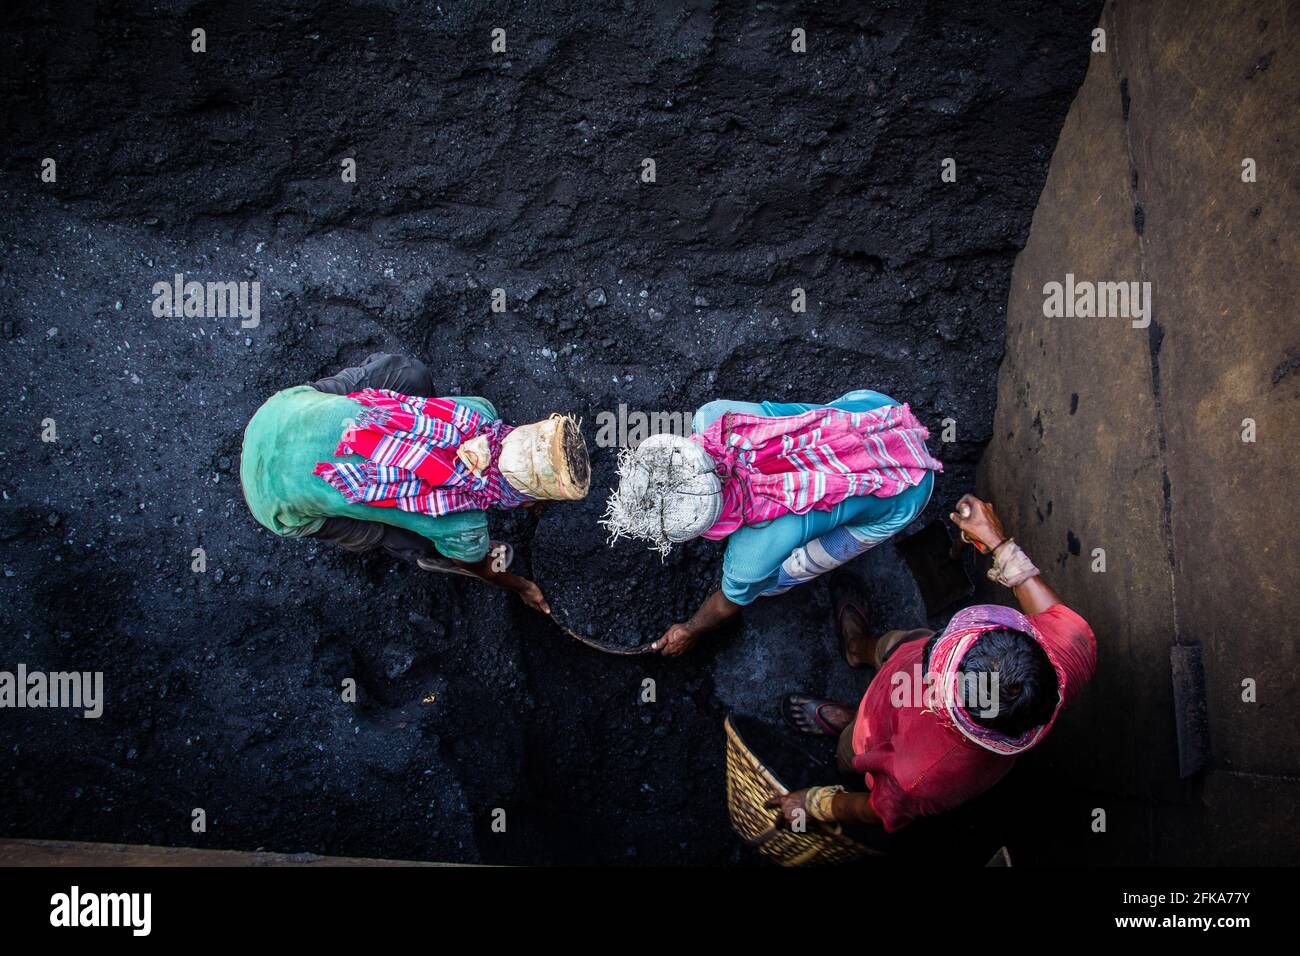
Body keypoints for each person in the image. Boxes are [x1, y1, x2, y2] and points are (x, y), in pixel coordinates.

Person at [765, 493, 1096, 834]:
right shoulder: (1065, 649)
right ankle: (857, 648)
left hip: (881, 735)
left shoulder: (924, 774)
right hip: (905, 663)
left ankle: (851, 725)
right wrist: (997, 543)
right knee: (898, 645)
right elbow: (1057, 618)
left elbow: (878, 809)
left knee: (853, 747)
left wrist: (816, 804)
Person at [601, 388, 942, 656]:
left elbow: (729, 602)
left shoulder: (752, 555)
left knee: (783, 575)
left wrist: (691, 629)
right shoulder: (714, 417)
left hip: (906, 489)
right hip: (874, 411)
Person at [239, 352, 589, 611]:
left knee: (408, 374)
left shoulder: (479, 413)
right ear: (521, 498)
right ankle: (431, 555)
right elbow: (481, 565)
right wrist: (523, 587)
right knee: (401, 532)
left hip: (282, 413)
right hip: (273, 501)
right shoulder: (462, 525)